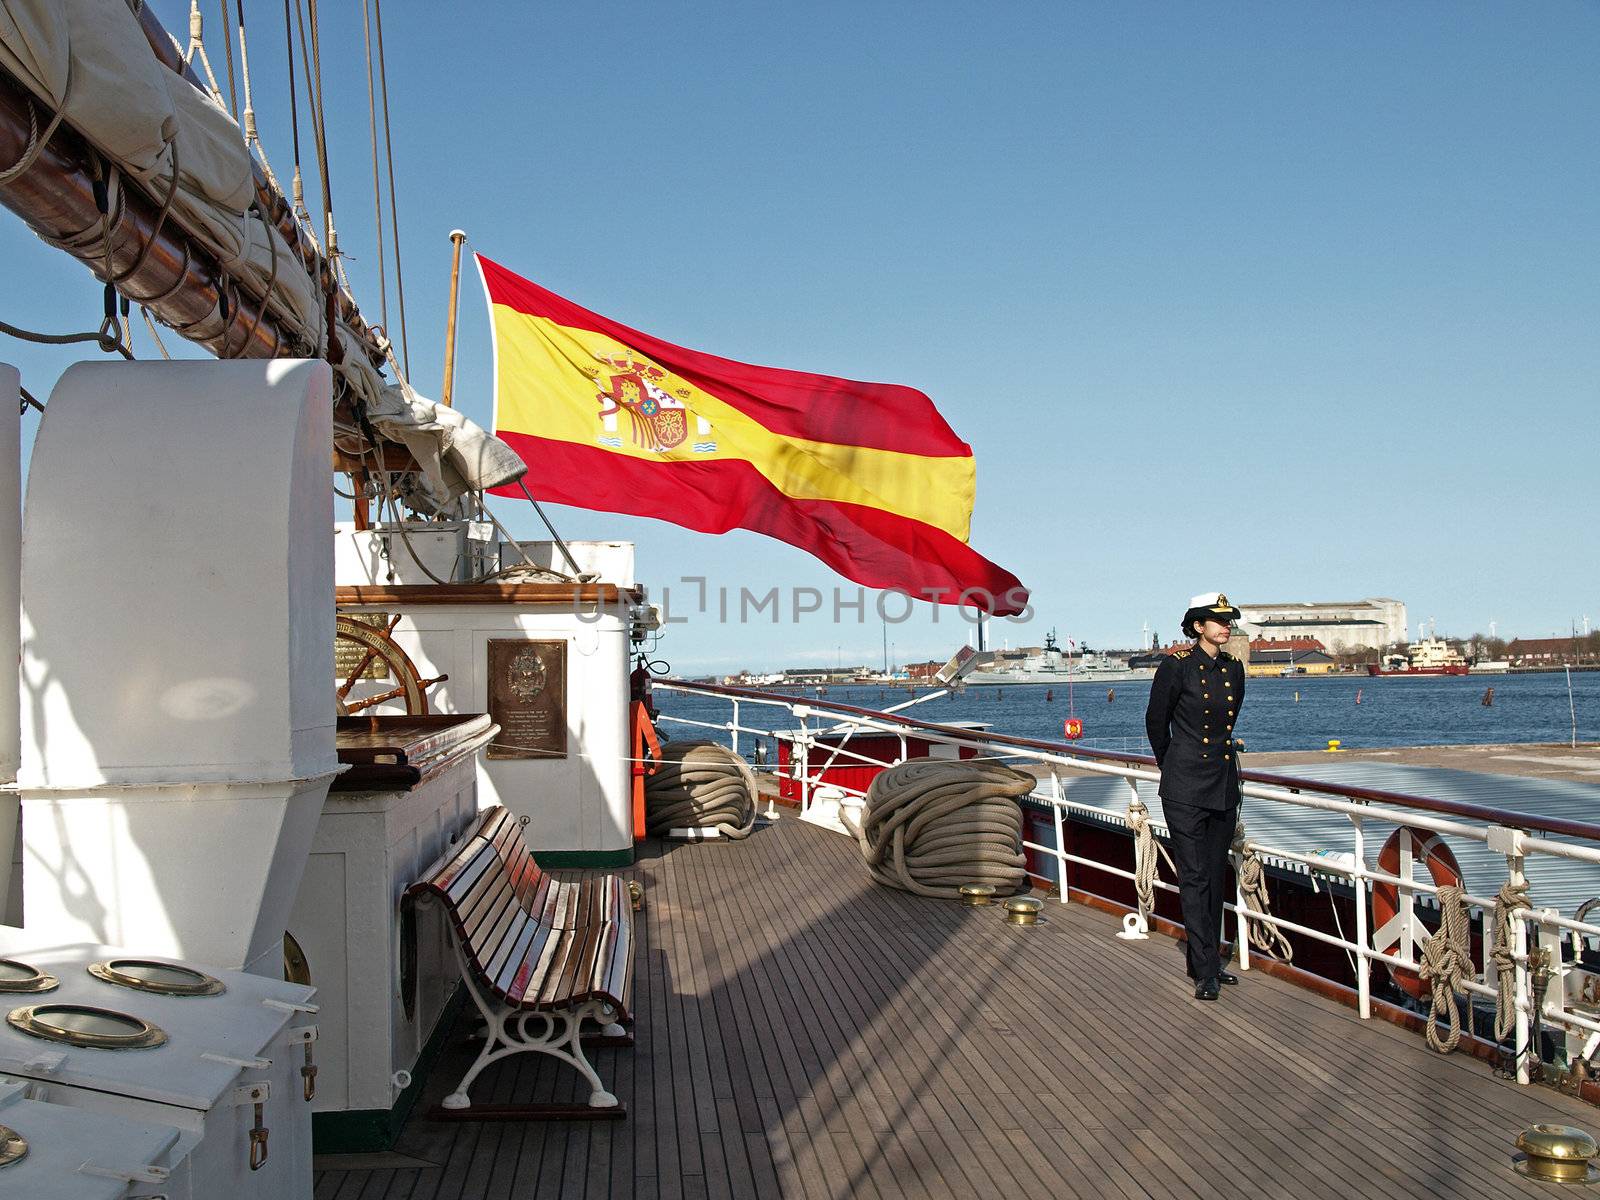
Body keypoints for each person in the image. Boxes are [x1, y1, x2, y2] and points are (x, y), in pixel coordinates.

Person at [1144, 591, 1246, 1001]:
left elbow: (1228, 720)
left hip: (1221, 783)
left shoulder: (1233, 669)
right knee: (1194, 875)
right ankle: (1205, 970)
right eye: (1216, 620)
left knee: (1216, 872)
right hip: (1184, 785)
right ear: (1197, 626)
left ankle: (1207, 959)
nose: (1226, 626)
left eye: (1228, 620)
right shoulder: (1177, 667)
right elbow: (1156, 721)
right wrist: (1173, 764)